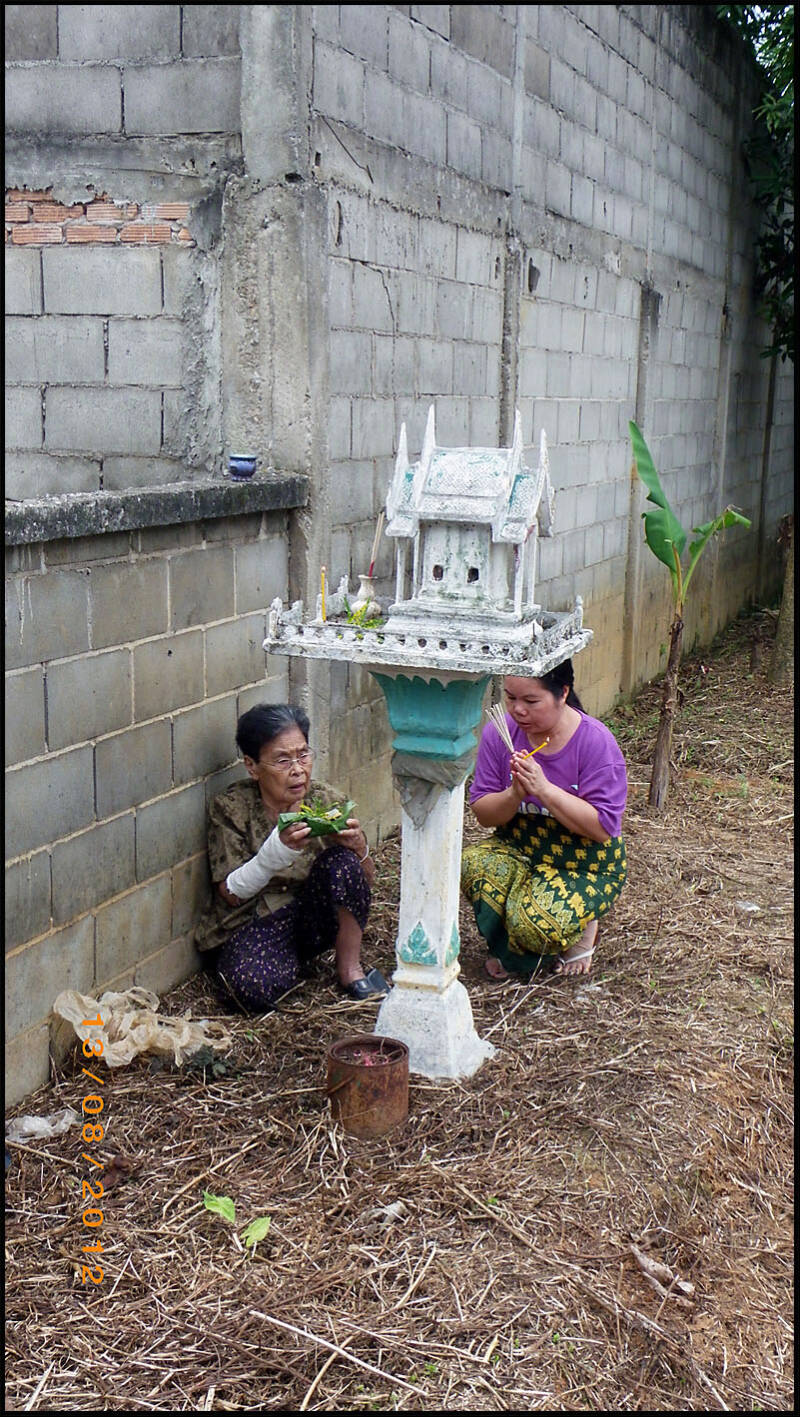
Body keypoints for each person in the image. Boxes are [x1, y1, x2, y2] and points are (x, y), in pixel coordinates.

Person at [195, 703, 387, 1009]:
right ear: (252, 766)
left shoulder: (327, 801)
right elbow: (231, 893)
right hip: (258, 922)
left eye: (303, 755)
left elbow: (365, 881)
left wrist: (358, 847)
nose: (298, 770)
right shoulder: (231, 808)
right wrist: (276, 852)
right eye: (282, 760)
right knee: (248, 988)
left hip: (313, 915)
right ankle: (287, 964)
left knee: (343, 863)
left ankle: (350, 969)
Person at [461, 661, 627, 979]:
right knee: (473, 865)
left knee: (535, 923)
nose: (517, 710)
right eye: (510, 698)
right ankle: (511, 950)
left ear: (562, 693)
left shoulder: (595, 742)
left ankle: (582, 927)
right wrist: (514, 794)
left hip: (584, 862)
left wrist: (545, 790)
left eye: (531, 701)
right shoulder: (500, 734)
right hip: (521, 847)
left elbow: (603, 828)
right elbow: (483, 813)